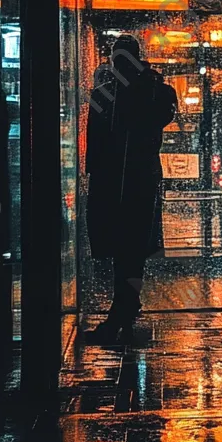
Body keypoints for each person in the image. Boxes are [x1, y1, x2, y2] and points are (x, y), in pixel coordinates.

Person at [85, 34, 178, 344]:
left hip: (130, 179)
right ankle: (125, 305)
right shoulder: (115, 93)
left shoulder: (149, 93)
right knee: (126, 247)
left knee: (130, 247)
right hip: (125, 179)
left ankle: (123, 308)